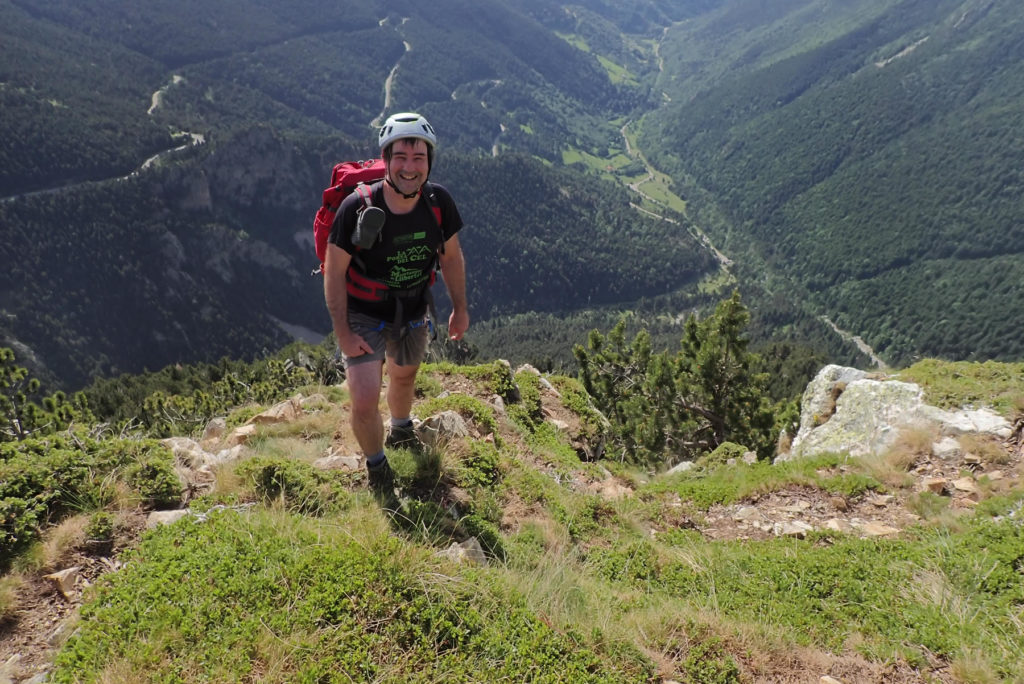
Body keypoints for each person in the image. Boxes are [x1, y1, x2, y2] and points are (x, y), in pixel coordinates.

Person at [323, 112, 469, 496]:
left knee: (404, 375)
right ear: (386, 159)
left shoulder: (439, 203)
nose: (409, 167)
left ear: (429, 162)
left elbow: (451, 257)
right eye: (401, 157)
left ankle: (402, 428)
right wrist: (343, 331)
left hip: (413, 308)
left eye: (418, 157)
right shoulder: (356, 206)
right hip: (363, 312)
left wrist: (460, 308)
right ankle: (377, 465)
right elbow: (333, 272)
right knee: (365, 397)